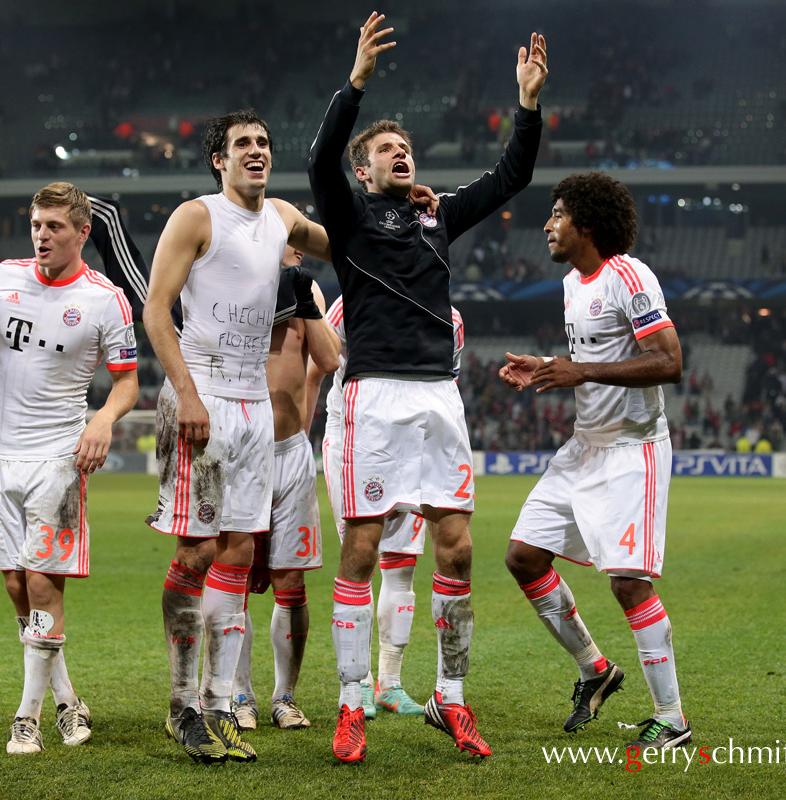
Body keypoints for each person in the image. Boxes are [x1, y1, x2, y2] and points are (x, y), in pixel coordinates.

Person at [308, 13, 546, 762]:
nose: (400, 154)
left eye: (405, 147)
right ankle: (352, 704)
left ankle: (452, 697)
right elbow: (318, 161)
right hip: (372, 396)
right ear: (364, 169)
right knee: (362, 547)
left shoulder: (438, 216)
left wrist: (528, 106)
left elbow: (512, 177)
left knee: (458, 549)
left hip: (438, 396)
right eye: (386, 149)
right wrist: (355, 84)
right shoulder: (348, 218)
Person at [144, 109, 339, 766]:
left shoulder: (283, 217)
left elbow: (343, 243)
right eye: (242, 144)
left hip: (256, 410)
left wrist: (397, 210)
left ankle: (220, 702)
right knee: (197, 551)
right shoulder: (196, 218)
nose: (256, 151)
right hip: (200, 398)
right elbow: (156, 310)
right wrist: (188, 394)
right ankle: (181, 704)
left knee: (233, 553)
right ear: (218, 161)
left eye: (263, 142)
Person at [0, 181, 139, 754]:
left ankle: (26, 717)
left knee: (44, 581)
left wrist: (102, 421)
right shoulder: (5, 277)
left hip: (59, 456)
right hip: (0, 453)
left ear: (82, 233)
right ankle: (67, 698)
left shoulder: (106, 299)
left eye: (54, 227)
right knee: (15, 582)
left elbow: (127, 382)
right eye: (37, 225)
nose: (42, 236)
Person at [500, 171, 690, 751]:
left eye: (556, 214)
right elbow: (590, 360)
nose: (547, 224)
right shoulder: (570, 285)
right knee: (524, 557)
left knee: (629, 584)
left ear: (586, 222)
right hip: (585, 446)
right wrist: (551, 366)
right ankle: (594, 667)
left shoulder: (629, 274)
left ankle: (672, 717)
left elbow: (669, 361)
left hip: (633, 451)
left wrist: (578, 370)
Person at [312, 296, 464, 721]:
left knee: (402, 565)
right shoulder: (352, 298)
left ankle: (390, 684)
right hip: (357, 435)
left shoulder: (450, 316)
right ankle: (357, 682)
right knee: (359, 558)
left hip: (414, 441)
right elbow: (321, 364)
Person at [230, 246, 339, 732]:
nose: (297, 247)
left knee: (291, 584)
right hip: (237, 452)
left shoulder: (305, 288)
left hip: (291, 452)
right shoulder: (228, 285)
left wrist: (300, 290)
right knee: (233, 580)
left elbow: (330, 357)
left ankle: (285, 696)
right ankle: (239, 695)